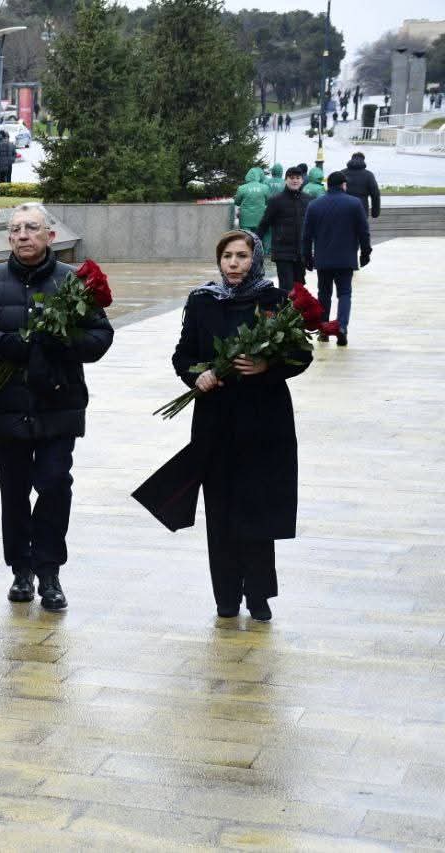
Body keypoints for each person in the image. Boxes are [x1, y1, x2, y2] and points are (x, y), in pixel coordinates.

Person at [0, 203, 114, 610]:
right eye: (16, 229)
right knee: (13, 491)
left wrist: (65, 341)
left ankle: (49, 571)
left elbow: (100, 338)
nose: (23, 235)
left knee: (55, 485)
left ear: (50, 236)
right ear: (9, 238)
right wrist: (2, 344)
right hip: (5, 405)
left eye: (31, 228)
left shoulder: (73, 281)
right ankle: (20, 570)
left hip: (57, 403)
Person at [171, 231, 311, 622]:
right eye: (227, 256)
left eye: (242, 256)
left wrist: (267, 367)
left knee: (257, 508)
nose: (233, 263)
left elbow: (301, 355)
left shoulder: (275, 301)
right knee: (219, 509)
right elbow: (183, 355)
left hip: (264, 422)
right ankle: (227, 596)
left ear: (256, 259)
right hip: (216, 420)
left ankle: (259, 595)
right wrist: (196, 376)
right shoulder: (202, 301)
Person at [302, 172, 371, 348]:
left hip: (323, 260)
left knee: (324, 294)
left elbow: (306, 235)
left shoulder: (314, 205)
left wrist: (307, 256)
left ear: (328, 185)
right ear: (343, 185)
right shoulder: (354, 203)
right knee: (345, 293)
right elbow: (363, 231)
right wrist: (365, 252)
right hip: (346, 259)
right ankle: (341, 327)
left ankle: (324, 329)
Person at [255, 165, 312, 290]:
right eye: (291, 178)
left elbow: (312, 226)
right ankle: (284, 303)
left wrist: (311, 252)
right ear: (286, 180)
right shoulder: (276, 201)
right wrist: (254, 241)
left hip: (301, 252)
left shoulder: (308, 200)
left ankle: (295, 304)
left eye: (297, 178)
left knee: (299, 287)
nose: (295, 180)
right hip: (283, 251)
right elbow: (265, 223)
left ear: (302, 180)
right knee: (286, 287)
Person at [342, 152, 380, 220]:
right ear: (363, 160)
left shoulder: (342, 173)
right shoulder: (369, 175)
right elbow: (375, 194)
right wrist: (375, 212)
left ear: (351, 159)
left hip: (344, 208)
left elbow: (334, 190)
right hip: (362, 208)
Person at [233, 167, 269, 234]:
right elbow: (268, 201)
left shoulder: (241, 188)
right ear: (258, 176)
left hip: (245, 219)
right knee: (258, 237)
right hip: (259, 218)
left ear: (247, 176)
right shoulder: (265, 188)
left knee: (245, 237)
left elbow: (237, 202)